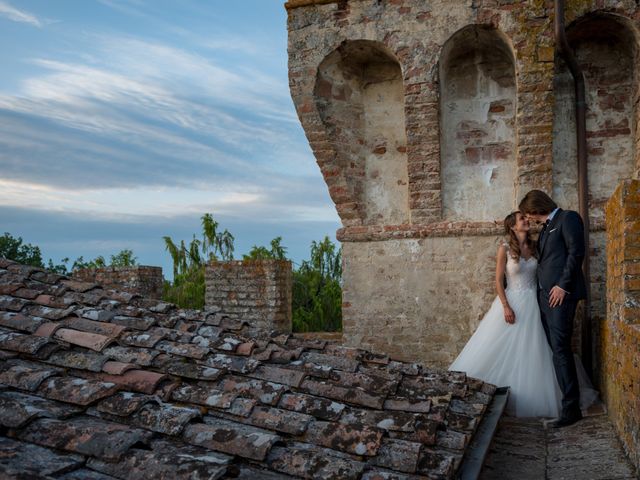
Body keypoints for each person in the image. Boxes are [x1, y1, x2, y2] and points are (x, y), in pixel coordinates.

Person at [449, 211, 562, 418]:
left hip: (534, 303)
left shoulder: (536, 247)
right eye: (522, 219)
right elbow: (498, 282)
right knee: (494, 347)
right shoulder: (505, 249)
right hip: (513, 301)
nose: (526, 220)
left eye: (526, 218)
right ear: (512, 226)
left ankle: (531, 394)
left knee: (533, 349)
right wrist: (505, 306)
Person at [518, 190, 587, 428]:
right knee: (556, 350)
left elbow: (576, 253)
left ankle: (571, 409)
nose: (530, 219)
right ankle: (567, 404)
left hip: (560, 296)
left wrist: (563, 286)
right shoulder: (547, 227)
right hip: (544, 297)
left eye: (529, 214)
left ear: (536, 208)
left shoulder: (568, 218)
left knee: (560, 349)